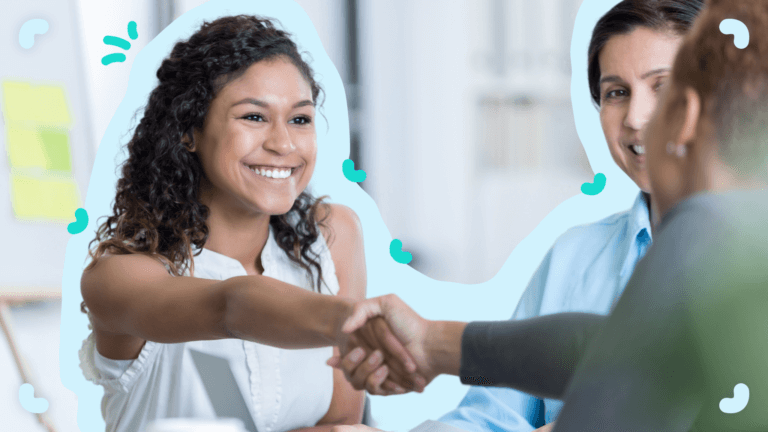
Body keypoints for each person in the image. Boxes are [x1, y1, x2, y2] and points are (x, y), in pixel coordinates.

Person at [332, 0, 768, 429]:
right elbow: (491, 414)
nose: (636, 118)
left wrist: (436, 344)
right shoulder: (575, 255)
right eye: (616, 93)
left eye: (664, 87)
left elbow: (630, 358)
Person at [77, 15, 415, 432]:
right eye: (254, 117)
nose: (284, 144)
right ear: (189, 130)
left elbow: (341, 425)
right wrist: (358, 322)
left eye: (300, 119)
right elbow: (231, 306)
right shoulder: (118, 276)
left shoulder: (332, 237)